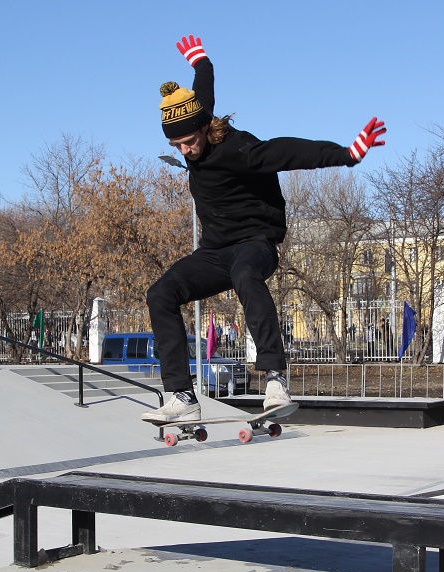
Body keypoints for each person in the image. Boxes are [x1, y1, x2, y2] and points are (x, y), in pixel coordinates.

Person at [141, 34, 386, 423]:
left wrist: (347, 154)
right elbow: (205, 83)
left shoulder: (240, 150)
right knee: (161, 293)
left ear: (205, 128)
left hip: (255, 244)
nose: (185, 152)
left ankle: (274, 378)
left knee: (245, 275)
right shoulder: (197, 116)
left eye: (189, 142)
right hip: (214, 252)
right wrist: (199, 59)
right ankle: (182, 397)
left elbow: (288, 151)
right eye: (176, 146)